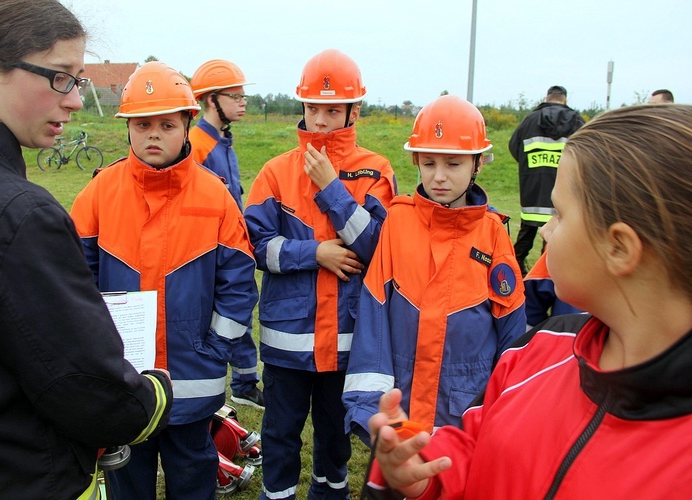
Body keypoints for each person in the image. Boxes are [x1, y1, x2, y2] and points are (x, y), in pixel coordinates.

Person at [367, 104, 692, 499]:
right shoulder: (536, 353)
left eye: (559, 213)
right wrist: (426, 481)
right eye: (429, 162)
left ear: (620, 248)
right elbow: (476, 443)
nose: (546, 232)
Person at [0, 1, 173, 498]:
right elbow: (97, 397)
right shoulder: (19, 214)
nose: (73, 100)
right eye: (60, 77)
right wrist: (155, 392)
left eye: (80, 80)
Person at [70, 61, 259, 500]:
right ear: (128, 127)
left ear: (189, 124)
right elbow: (76, 281)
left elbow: (238, 284)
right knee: (127, 482)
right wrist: (98, 350)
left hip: (195, 382)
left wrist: (213, 349)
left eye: (167, 124)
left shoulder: (215, 197)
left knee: (193, 476)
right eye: (142, 123)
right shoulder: (99, 193)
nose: (153, 133)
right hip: (124, 381)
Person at [243, 48, 397, 500]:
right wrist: (316, 253)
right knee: (279, 434)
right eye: (314, 109)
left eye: (333, 110)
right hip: (286, 342)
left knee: (335, 439)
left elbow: (378, 249)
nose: (322, 120)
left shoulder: (376, 170)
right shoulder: (275, 172)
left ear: (354, 109)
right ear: (303, 107)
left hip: (348, 341)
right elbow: (255, 247)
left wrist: (332, 187)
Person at [343, 95, 526, 443]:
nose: (439, 177)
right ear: (416, 160)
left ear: (477, 165)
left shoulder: (492, 234)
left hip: (463, 418)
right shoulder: (398, 221)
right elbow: (373, 319)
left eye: (453, 164)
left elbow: (512, 338)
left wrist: (505, 412)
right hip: (402, 413)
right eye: (428, 164)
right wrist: (369, 408)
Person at [189, 59, 264, 410]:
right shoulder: (196, 143)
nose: (242, 102)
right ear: (210, 100)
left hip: (233, 246)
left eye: (242, 95)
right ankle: (236, 380)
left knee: (240, 307)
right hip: (210, 248)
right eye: (234, 96)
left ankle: (246, 381)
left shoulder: (222, 142)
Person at [509, 85, 584, 276]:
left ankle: (517, 268)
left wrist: (531, 165)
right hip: (563, 189)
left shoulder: (530, 120)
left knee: (527, 229)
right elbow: (588, 153)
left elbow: (513, 145)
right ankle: (549, 273)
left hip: (533, 187)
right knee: (557, 230)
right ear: (564, 100)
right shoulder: (577, 122)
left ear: (547, 97)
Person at [523, 217, 582, 329]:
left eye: (560, 215)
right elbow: (530, 310)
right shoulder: (558, 258)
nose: (543, 230)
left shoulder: (566, 252)